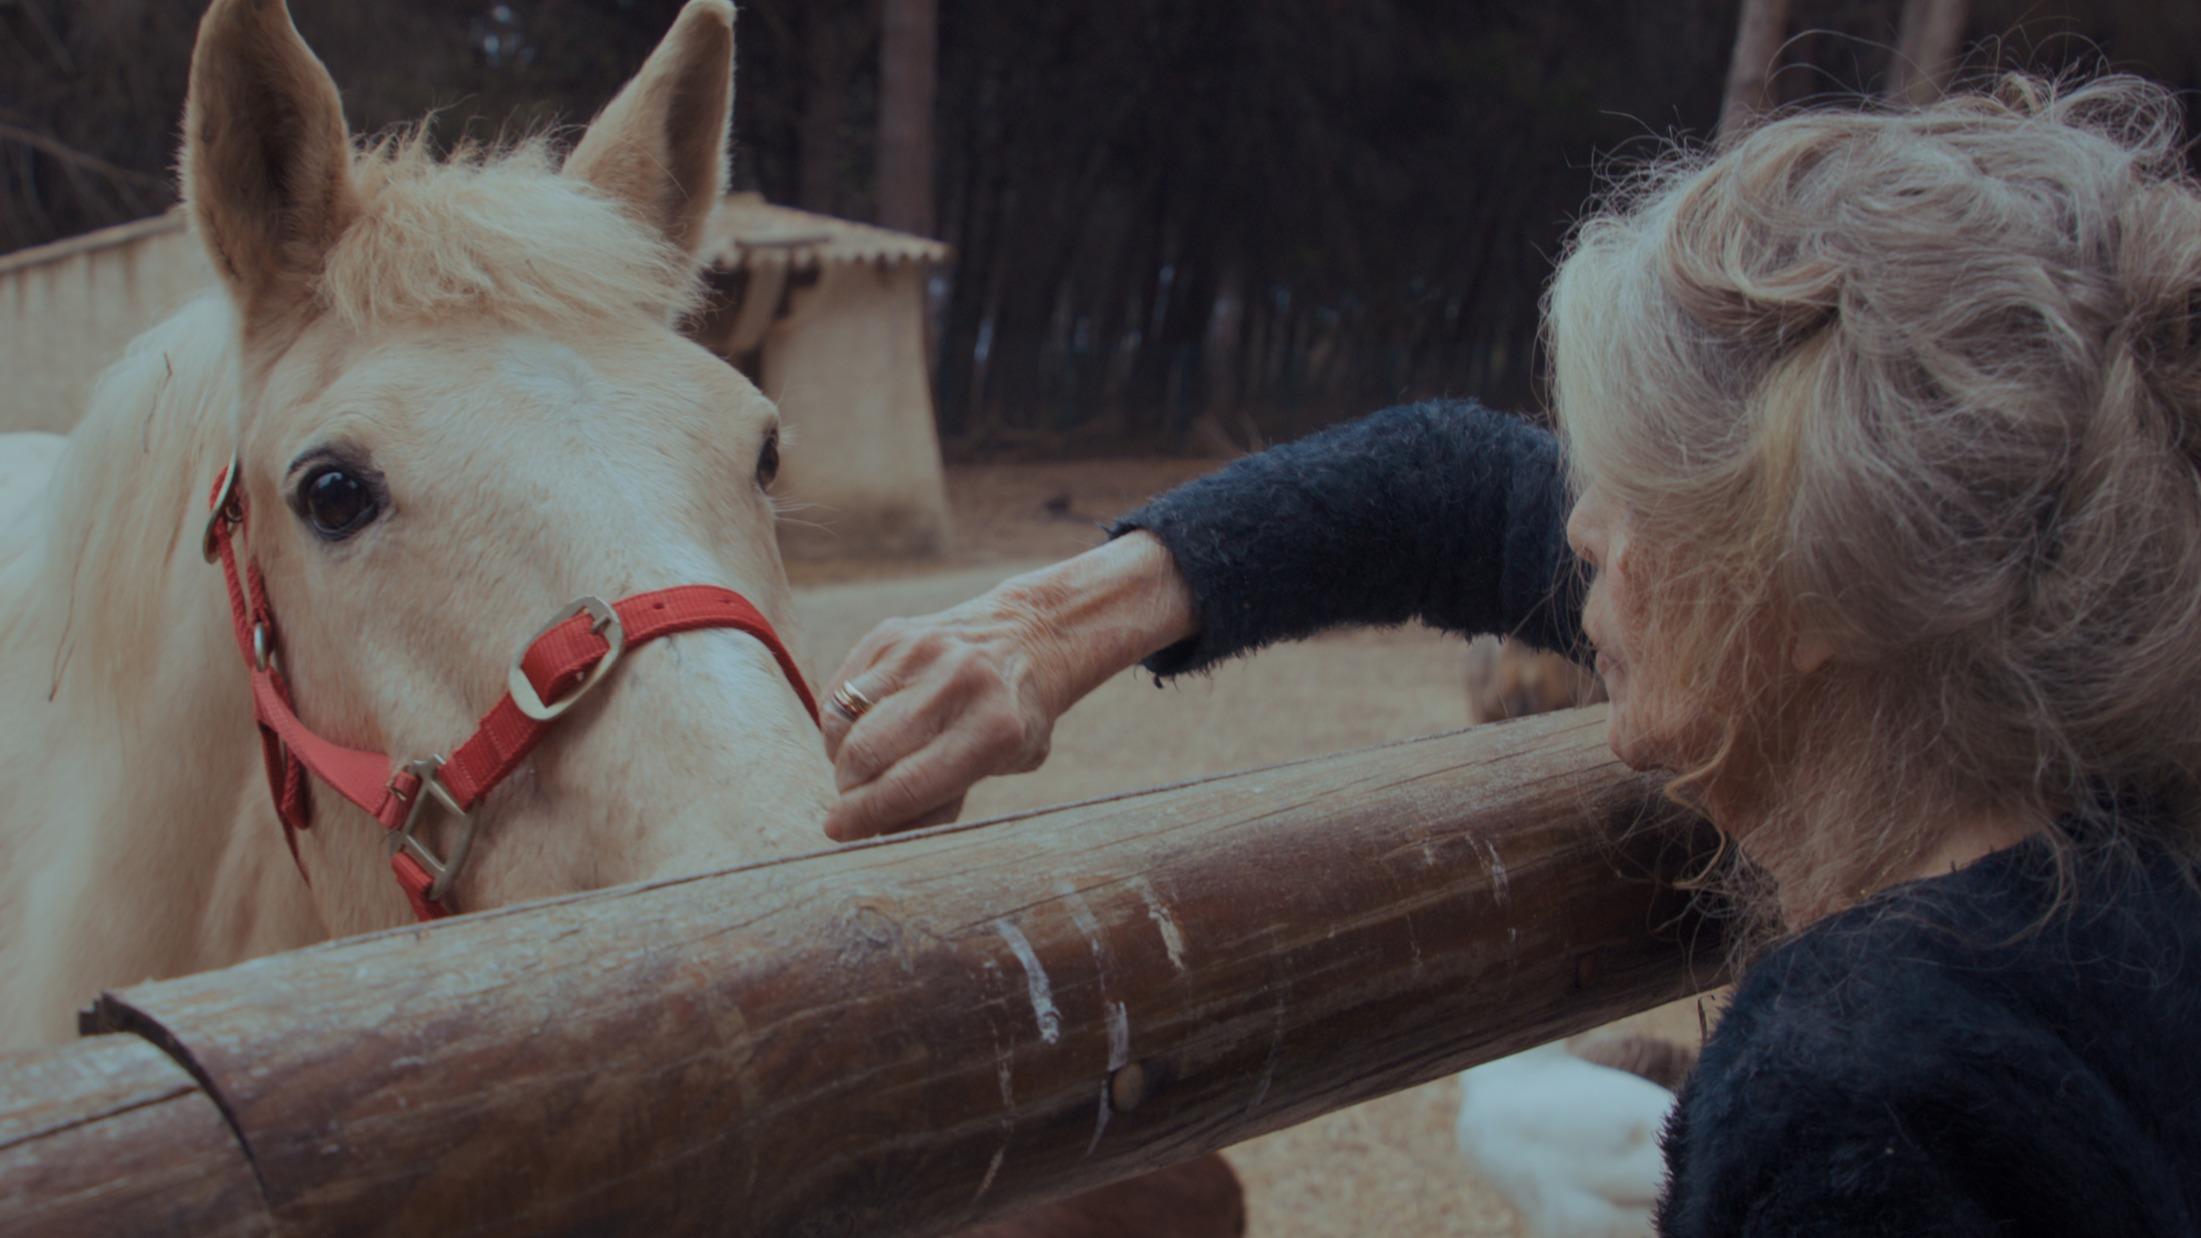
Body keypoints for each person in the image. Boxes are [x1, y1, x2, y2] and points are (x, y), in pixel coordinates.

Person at [819, 76, 2201, 1235]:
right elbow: (1456, 484)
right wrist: (1048, 628)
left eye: (1637, 492)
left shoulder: (1864, 1098)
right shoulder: (2091, 801)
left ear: (1818, 592)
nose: (1578, 525)